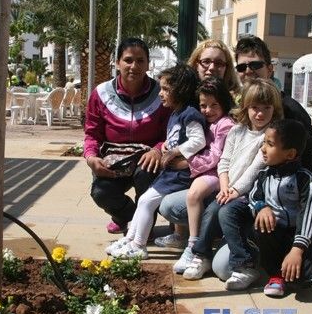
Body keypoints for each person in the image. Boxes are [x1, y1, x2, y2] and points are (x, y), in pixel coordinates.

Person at [175, 78, 284, 277]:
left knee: (221, 211)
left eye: (266, 108)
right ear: (246, 107)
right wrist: (225, 187)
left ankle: (244, 259)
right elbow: (224, 162)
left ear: (274, 109)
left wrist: (235, 190)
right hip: (229, 189)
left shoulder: (269, 136)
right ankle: (201, 255)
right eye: (255, 107)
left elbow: (256, 168)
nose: (260, 113)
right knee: (212, 210)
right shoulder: (237, 130)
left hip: (248, 194)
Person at [105, 64, 206, 259]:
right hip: (171, 173)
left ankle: (138, 245)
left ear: (181, 89)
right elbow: (176, 137)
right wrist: (166, 145)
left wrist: (175, 151)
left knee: (146, 201)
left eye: (166, 89)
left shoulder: (190, 114)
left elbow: (198, 140)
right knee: (144, 201)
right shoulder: (176, 113)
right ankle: (131, 239)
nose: (160, 93)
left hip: (180, 175)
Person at [155, 39, 240, 249]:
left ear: (227, 68)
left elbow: (219, 151)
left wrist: (187, 163)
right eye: (206, 62)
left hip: (222, 176)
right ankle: (183, 234)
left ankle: (204, 238)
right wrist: (164, 146)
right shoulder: (187, 97)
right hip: (200, 170)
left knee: (172, 204)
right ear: (196, 63)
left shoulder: (233, 102)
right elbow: (177, 131)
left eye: (219, 63)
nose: (212, 67)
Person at [226, 118, 312, 293]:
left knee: (301, 282)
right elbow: (254, 196)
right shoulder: (264, 175)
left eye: (270, 144)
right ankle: (275, 275)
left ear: (290, 154)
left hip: (299, 235)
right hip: (275, 232)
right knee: (261, 227)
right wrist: (261, 207)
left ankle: (306, 264)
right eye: (264, 142)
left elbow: (309, 214)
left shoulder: (305, 179)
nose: (263, 148)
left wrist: (297, 250)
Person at [84, 37, 170, 235]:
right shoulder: (101, 93)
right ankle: (125, 216)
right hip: (115, 160)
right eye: (128, 60)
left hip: (146, 159)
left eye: (140, 61)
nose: (134, 66)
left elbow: (170, 132)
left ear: (148, 64)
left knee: (147, 174)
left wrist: (157, 150)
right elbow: (92, 133)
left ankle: (143, 230)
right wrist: (91, 157)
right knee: (101, 192)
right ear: (117, 63)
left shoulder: (162, 93)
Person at [234, 36, 312, 176]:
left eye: (255, 65)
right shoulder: (238, 107)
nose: (248, 71)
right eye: (242, 67)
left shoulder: (291, 110)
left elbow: (307, 158)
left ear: (269, 69)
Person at [182, 77, 235, 257]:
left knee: (193, 194)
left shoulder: (225, 124)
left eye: (214, 105)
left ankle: (193, 243)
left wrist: (188, 162)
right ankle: (179, 234)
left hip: (219, 172)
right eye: (203, 105)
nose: (208, 110)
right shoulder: (206, 122)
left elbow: (215, 156)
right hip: (206, 168)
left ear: (224, 103)